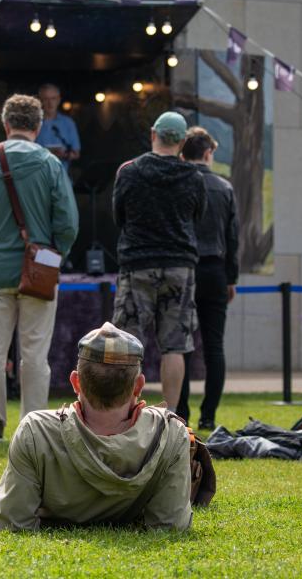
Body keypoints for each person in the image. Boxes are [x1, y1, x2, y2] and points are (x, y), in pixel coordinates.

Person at [0, 322, 192, 532]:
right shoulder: (171, 433)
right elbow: (171, 526)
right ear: (138, 386)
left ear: (76, 382)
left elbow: (10, 522)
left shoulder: (36, 431)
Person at [0, 94, 79, 440]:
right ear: (39, 127)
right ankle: (33, 427)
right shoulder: (50, 163)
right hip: (39, 273)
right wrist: (53, 257)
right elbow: (68, 223)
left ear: (5, 123)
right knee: (35, 355)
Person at [112, 111, 206, 414]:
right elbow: (198, 218)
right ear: (182, 141)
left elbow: (118, 216)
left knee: (128, 345)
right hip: (179, 267)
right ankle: (170, 415)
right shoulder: (194, 177)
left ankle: (125, 411)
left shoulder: (129, 172)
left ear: (153, 133)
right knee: (174, 345)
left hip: (137, 264)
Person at [176, 127, 239, 431]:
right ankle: (209, 414)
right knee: (214, 346)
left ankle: (182, 411)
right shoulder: (223, 187)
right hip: (215, 270)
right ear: (208, 153)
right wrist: (232, 277)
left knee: (182, 344)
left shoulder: (177, 183)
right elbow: (232, 238)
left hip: (184, 268)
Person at [36, 83, 81, 172]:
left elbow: (76, 153)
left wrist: (64, 155)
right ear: (40, 101)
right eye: (46, 99)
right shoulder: (33, 123)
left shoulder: (68, 123)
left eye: (53, 98)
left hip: (62, 177)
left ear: (59, 99)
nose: (50, 103)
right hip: (38, 178)